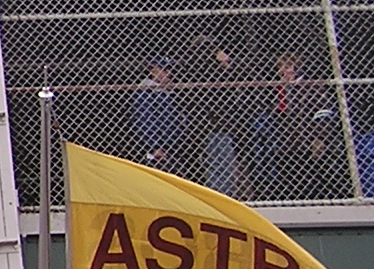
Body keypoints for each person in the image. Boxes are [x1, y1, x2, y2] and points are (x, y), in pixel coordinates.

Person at [252, 52, 339, 200]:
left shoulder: (311, 88)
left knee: (314, 180)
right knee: (290, 182)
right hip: (286, 146)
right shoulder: (276, 91)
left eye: (287, 67)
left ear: (296, 68)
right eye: (280, 68)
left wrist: (319, 138)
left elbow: (323, 114)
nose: (283, 72)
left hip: (307, 142)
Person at [182, 36, 247, 196]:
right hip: (215, 124)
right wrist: (223, 65)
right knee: (220, 164)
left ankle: (220, 193)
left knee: (218, 163)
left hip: (211, 125)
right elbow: (224, 90)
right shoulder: (207, 71)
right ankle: (222, 195)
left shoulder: (194, 70)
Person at [133, 56, 183, 172]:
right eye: (164, 69)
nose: (169, 73)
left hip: (174, 145)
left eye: (171, 70)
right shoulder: (146, 93)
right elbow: (144, 120)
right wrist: (154, 146)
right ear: (153, 70)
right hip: (159, 147)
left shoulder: (169, 92)